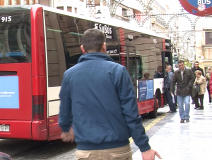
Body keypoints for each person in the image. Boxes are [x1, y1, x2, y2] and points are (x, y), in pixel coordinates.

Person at [59, 29, 161, 160]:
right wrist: (144, 147)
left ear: (82, 49)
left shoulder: (69, 75)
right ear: (104, 46)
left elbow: (65, 108)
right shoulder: (118, 71)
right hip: (118, 151)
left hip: (86, 152)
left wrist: (66, 128)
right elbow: (131, 114)